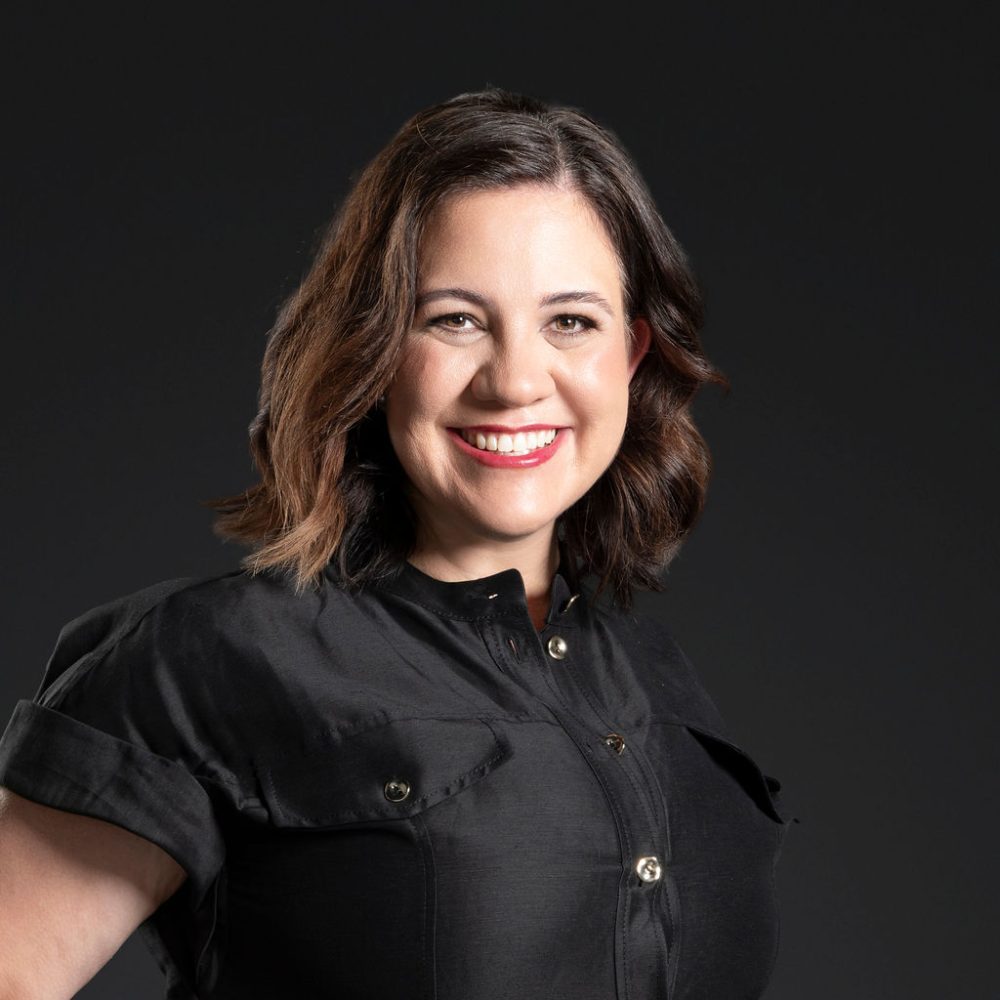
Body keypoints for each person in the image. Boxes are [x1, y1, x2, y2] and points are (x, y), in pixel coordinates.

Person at [0, 88, 791, 999]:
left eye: (570, 321)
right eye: (454, 318)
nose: (516, 381)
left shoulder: (659, 683)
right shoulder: (207, 663)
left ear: (632, 356)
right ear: (374, 351)